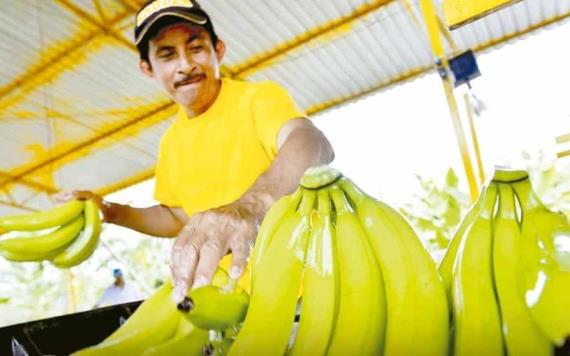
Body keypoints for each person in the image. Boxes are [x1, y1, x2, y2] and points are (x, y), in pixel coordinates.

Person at [61, 0, 334, 304]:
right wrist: (110, 212)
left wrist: (253, 204)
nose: (185, 64)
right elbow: (176, 216)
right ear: (147, 68)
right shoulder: (171, 142)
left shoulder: (258, 98)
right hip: (233, 304)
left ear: (218, 50)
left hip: (310, 294)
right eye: (167, 55)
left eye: (196, 48)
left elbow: (311, 142)